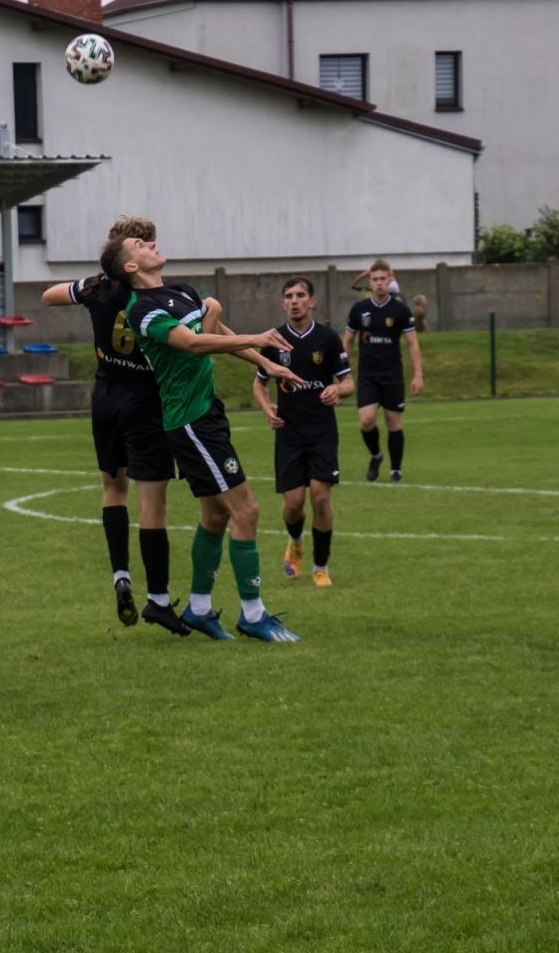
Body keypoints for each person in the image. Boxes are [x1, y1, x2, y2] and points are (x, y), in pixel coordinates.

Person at [109, 229, 303, 643]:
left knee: (216, 516)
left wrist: (266, 364)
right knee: (246, 512)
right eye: (139, 246)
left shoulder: (179, 291)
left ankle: (198, 610)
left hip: (206, 414)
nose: (150, 244)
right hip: (190, 421)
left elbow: (220, 334)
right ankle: (253, 613)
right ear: (130, 266)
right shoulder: (142, 310)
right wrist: (254, 335)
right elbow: (193, 343)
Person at [39, 216, 189, 635]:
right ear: (130, 253)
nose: (150, 247)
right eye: (144, 242)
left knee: (113, 487)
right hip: (145, 398)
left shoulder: (99, 287)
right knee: (153, 501)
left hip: (106, 396)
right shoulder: (157, 294)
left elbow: (48, 296)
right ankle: (158, 597)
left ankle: (120, 573)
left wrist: (87, 286)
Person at [251, 277, 351, 588]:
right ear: (283, 302)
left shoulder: (328, 338)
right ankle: (295, 541)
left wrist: (338, 389)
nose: (294, 301)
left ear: (312, 301)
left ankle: (320, 567)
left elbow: (349, 382)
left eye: (300, 295)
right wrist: (268, 409)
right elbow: (259, 384)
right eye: (289, 296)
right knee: (294, 504)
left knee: (320, 499)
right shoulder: (273, 340)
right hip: (289, 433)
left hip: (322, 430)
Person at [344, 258, 423, 483]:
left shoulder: (400, 310)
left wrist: (418, 374)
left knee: (393, 421)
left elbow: (413, 344)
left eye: (383, 279)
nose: (379, 283)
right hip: (368, 374)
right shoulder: (360, 310)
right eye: (375, 279)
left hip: (393, 375)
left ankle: (395, 470)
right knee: (367, 420)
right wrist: (342, 371)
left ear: (390, 279)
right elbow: (348, 341)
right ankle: (376, 455)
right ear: (370, 281)